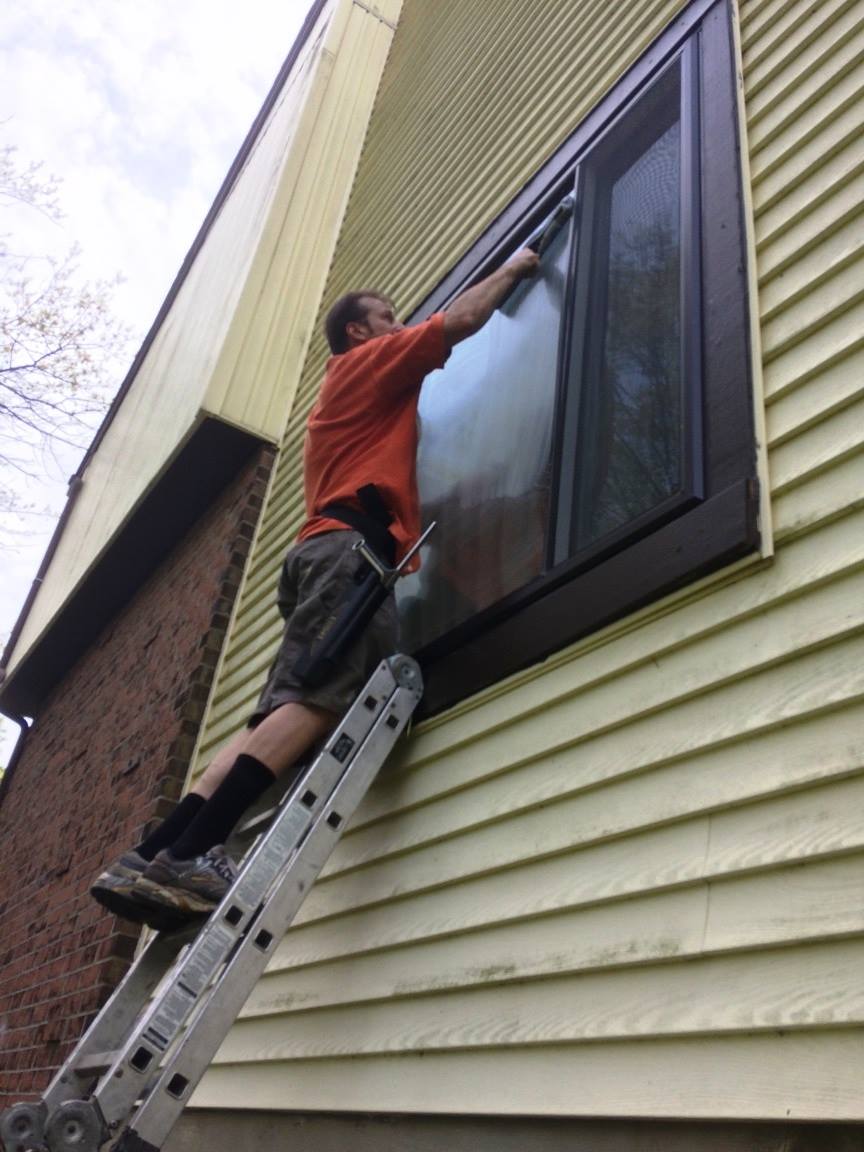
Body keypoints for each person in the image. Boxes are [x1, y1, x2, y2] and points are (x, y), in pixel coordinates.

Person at [90, 246, 540, 926]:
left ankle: (152, 853)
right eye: (387, 317)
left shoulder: (346, 401)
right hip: (346, 555)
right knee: (321, 700)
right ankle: (195, 851)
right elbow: (461, 321)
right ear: (358, 332)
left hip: (322, 552)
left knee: (274, 716)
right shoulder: (366, 364)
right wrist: (514, 267)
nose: (399, 327)